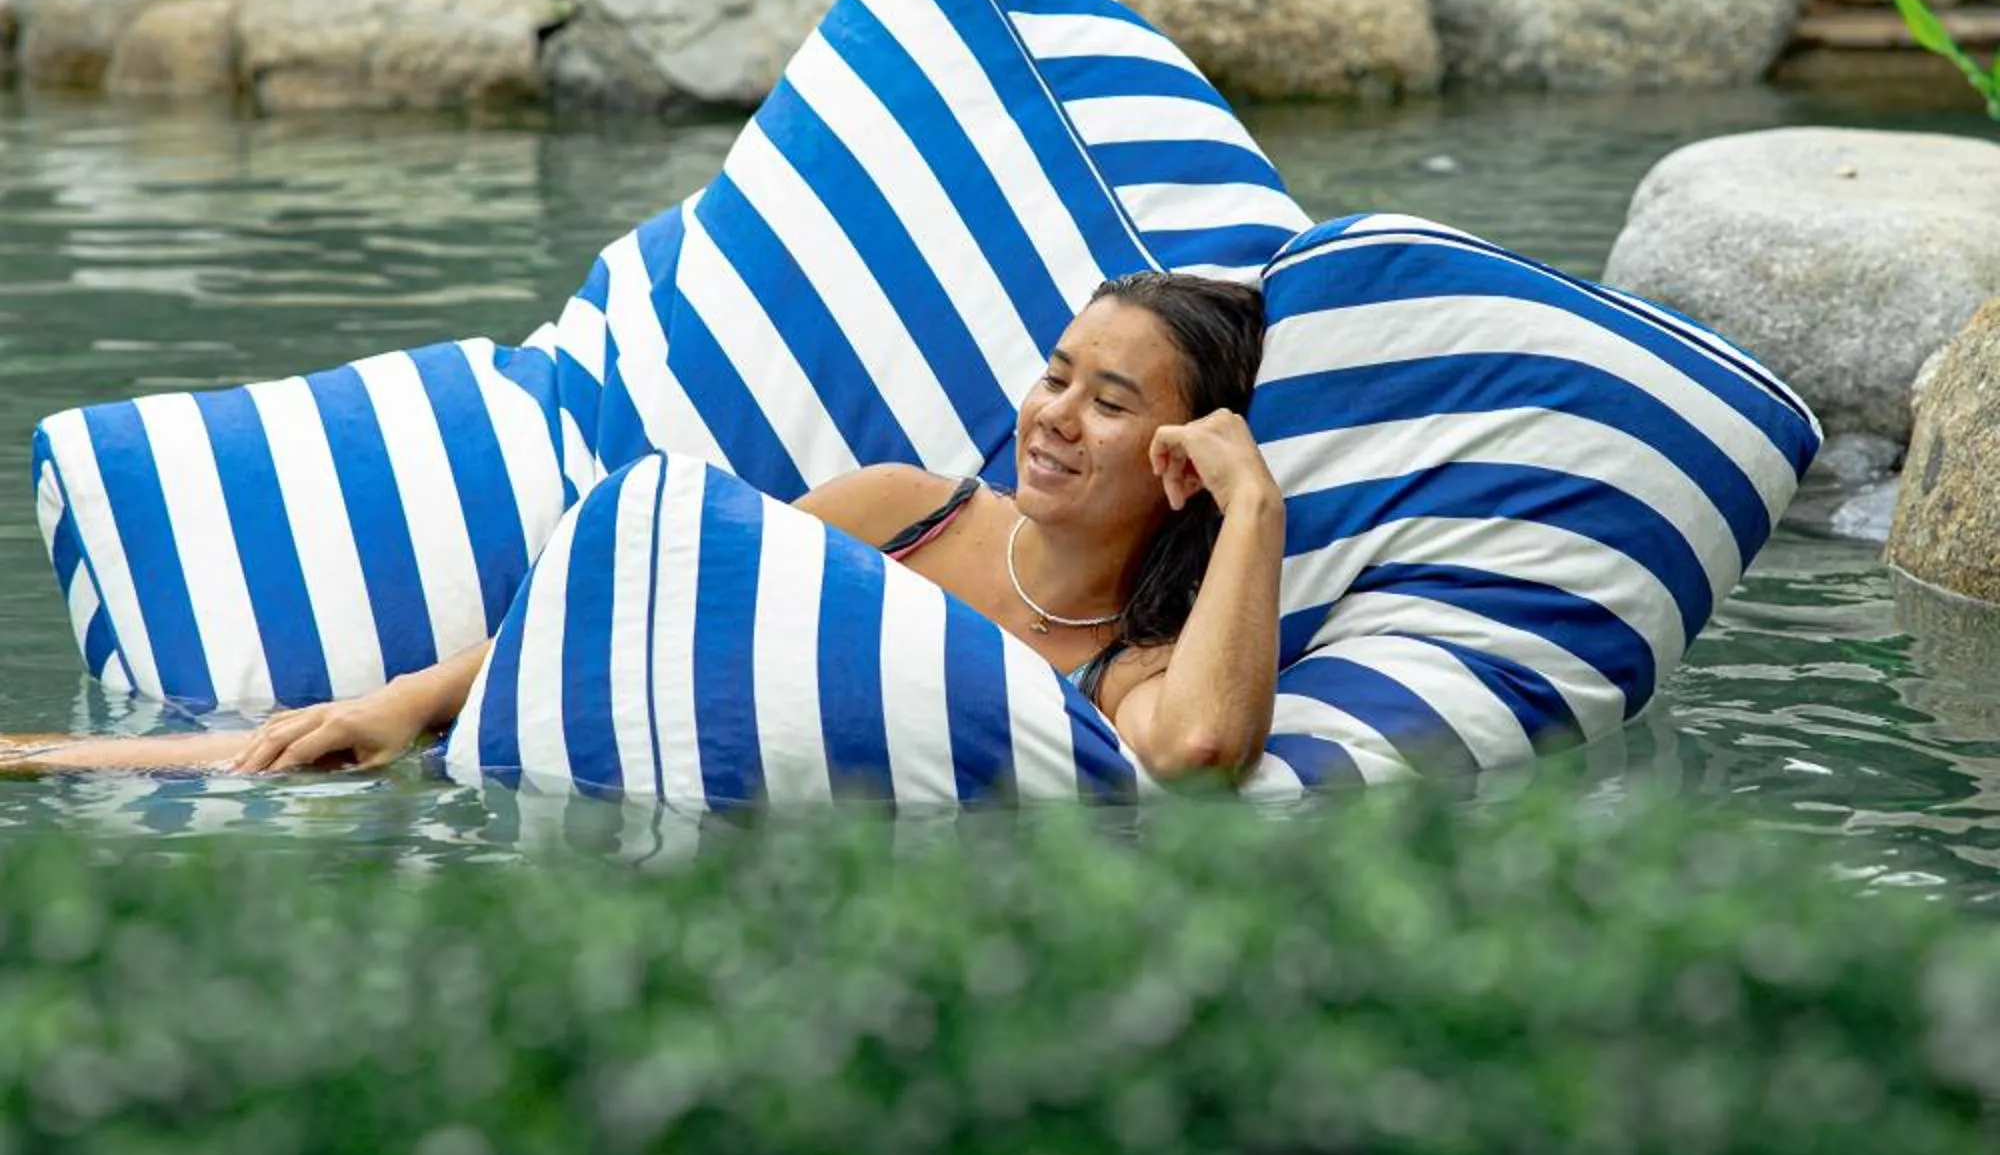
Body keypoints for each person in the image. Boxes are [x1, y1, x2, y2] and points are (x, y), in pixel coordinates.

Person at [3, 274, 1282, 788]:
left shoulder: (1135, 673)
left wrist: (1254, 509)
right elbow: (625, 613)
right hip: (584, 765)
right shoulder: (907, 509)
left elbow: (1207, 750)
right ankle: (51, 759)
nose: (1052, 415)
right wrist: (403, 702)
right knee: (309, 770)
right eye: (1054, 374)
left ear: (1181, 462)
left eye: (1109, 402)